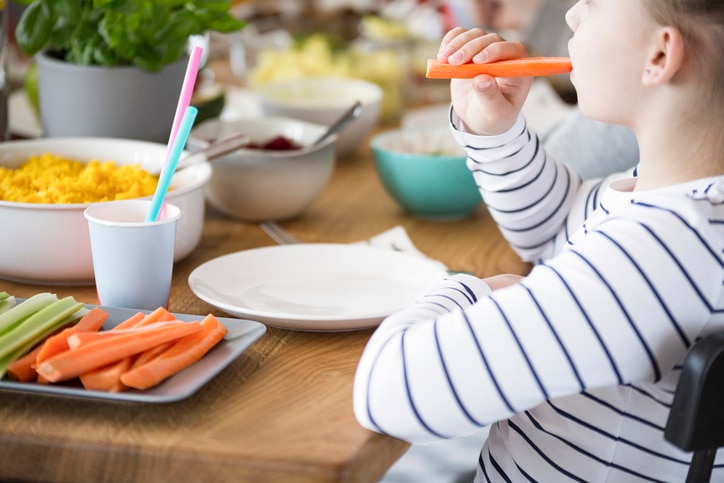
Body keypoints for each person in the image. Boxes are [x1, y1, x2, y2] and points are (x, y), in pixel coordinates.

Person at [355, 0, 724, 481]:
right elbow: (556, 230)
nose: (571, 14)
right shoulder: (680, 205)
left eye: (591, 4)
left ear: (659, 56)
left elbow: (388, 390)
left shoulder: (661, 253)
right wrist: (497, 133)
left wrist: (480, 290)